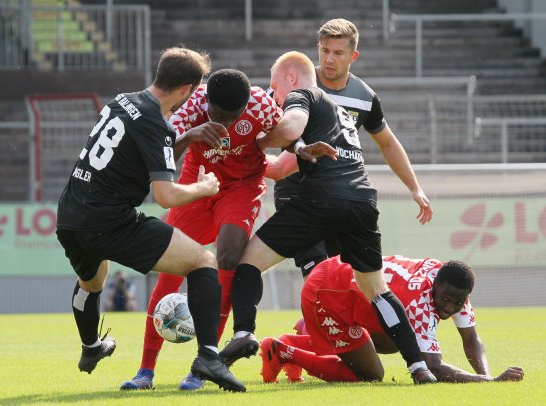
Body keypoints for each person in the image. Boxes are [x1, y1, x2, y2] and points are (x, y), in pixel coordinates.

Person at [219, 51, 437, 384]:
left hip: (320, 199)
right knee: (377, 291)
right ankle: (417, 367)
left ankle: (244, 332)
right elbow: (282, 165)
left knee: (249, 261)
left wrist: (257, 140)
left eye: (275, 88)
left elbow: (290, 127)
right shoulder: (339, 114)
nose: (275, 98)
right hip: (362, 200)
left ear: (291, 79)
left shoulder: (302, 96)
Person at [55, 47, 245, 392]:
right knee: (204, 261)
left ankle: (90, 347)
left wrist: (186, 136)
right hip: (110, 222)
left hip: (70, 216)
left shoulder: (122, 101)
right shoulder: (155, 122)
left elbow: (136, 150)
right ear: (187, 89)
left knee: (93, 281)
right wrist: (204, 188)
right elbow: (165, 196)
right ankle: (209, 357)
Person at [119, 69, 284, 392]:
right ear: (206, 100)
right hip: (197, 184)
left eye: (231, 117)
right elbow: (166, 154)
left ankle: (204, 366)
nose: (223, 121)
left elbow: (286, 131)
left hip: (241, 187)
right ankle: (145, 372)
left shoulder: (261, 104)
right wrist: (193, 134)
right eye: (217, 115)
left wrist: (298, 149)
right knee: (170, 271)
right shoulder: (193, 103)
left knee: (227, 258)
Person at [266, 18, 432, 278]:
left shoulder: (364, 97)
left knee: (342, 278)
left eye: (338, 53)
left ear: (353, 56)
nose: (329, 59)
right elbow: (261, 123)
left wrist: (415, 187)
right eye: (324, 51)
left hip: (339, 195)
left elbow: (387, 142)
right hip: (296, 190)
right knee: (318, 274)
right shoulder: (298, 84)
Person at [259, 255, 525, 384]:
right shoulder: (418, 300)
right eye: (446, 299)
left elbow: (472, 338)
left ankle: (303, 334)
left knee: (395, 342)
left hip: (348, 286)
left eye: (458, 302)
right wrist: (488, 383)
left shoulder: (449, 281)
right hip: (328, 292)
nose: (450, 307)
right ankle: (282, 350)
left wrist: (486, 374)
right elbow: (432, 365)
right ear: (436, 285)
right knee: (371, 374)